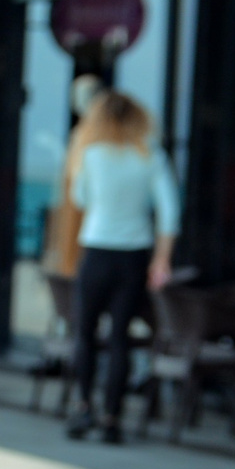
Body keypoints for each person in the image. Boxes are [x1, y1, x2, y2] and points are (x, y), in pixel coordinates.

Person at [64, 89, 180, 444]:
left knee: (85, 334)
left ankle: (83, 407)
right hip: (133, 255)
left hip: (97, 250)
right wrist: (162, 258)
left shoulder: (91, 154)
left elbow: (79, 199)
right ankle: (112, 418)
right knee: (119, 339)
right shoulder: (150, 155)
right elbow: (170, 212)